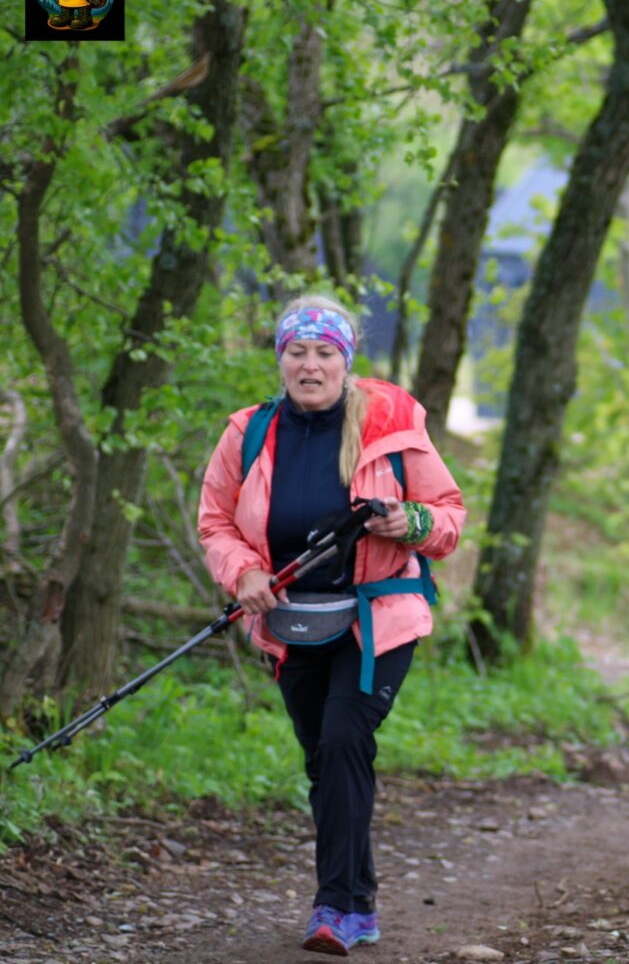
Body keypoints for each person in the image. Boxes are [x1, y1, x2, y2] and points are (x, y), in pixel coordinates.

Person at [198, 295, 465, 956]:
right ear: (281, 358)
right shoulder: (249, 433)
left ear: (346, 361)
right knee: (324, 757)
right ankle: (361, 898)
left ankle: (336, 908)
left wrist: (410, 521)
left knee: (345, 738)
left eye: (324, 353)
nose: (310, 365)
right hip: (291, 622)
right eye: (297, 352)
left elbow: (448, 516)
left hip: (378, 618)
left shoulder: (390, 425)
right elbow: (216, 522)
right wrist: (243, 573)